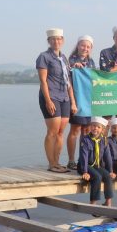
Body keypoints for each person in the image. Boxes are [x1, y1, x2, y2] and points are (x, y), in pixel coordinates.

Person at [36, 28, 77, 173]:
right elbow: (43, 81)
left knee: (61, 132)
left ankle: (58, 162)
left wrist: (72, 101)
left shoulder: (64, 58)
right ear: (49, 41)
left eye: (59, 38)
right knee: (52, 132)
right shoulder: (44, 57)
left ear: (63, 40)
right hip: (51, 97)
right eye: (53, 39)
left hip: (65, 97)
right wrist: (48, 100)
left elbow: (68, 82)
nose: (56, 41)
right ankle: (51, 164)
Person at [66, 35, 96, 170]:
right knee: (75, 130)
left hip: (89, 102)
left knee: (86, 130)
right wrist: (74, 67)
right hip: (77, 101)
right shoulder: (69, 61)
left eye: (88, 46)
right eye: (83, 45)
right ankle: (71, 160)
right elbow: (68, 83)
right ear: (78, 45)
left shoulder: (92, 63)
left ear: (91, 48)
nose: (85, 48)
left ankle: (83, 159)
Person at [78, 117, 115, 206]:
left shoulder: (104, 140)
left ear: (102, 129)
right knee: (97, 177)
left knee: (107, 176)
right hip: (85, 165)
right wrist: (85, 171)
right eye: (93, 126)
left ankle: (108, 202)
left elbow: (108, 157)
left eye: (98, 127)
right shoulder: (85, 139)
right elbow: (84, 157)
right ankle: (93, 203)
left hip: (97, 166)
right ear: (90, 127)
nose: (95, 128)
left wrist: (110, 171)